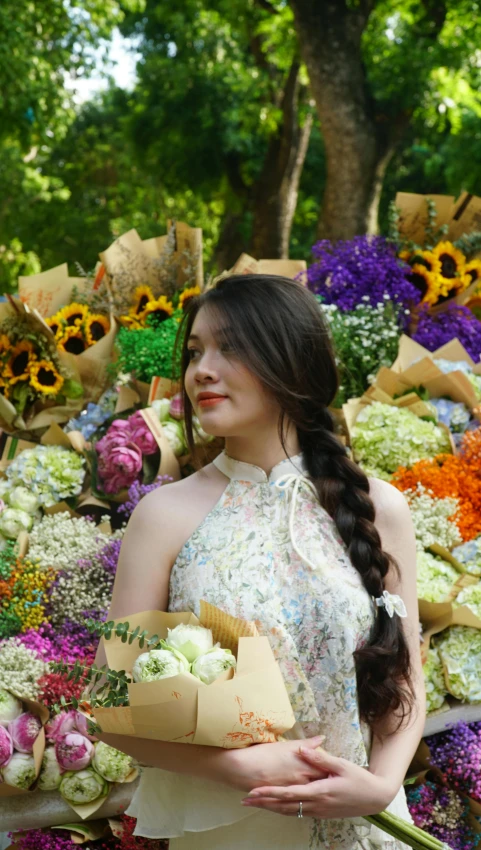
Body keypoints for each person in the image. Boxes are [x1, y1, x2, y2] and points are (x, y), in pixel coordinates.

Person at [96, 274, 425, 850]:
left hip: (368, 826)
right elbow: (112, 701)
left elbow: (405, 679)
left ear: (293, 362)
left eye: (231, 347)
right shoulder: (164, 516)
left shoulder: (380, 507)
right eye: (195, 352)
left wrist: (380, 786)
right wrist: (239, 768)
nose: (202, 369)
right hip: (235, 825)